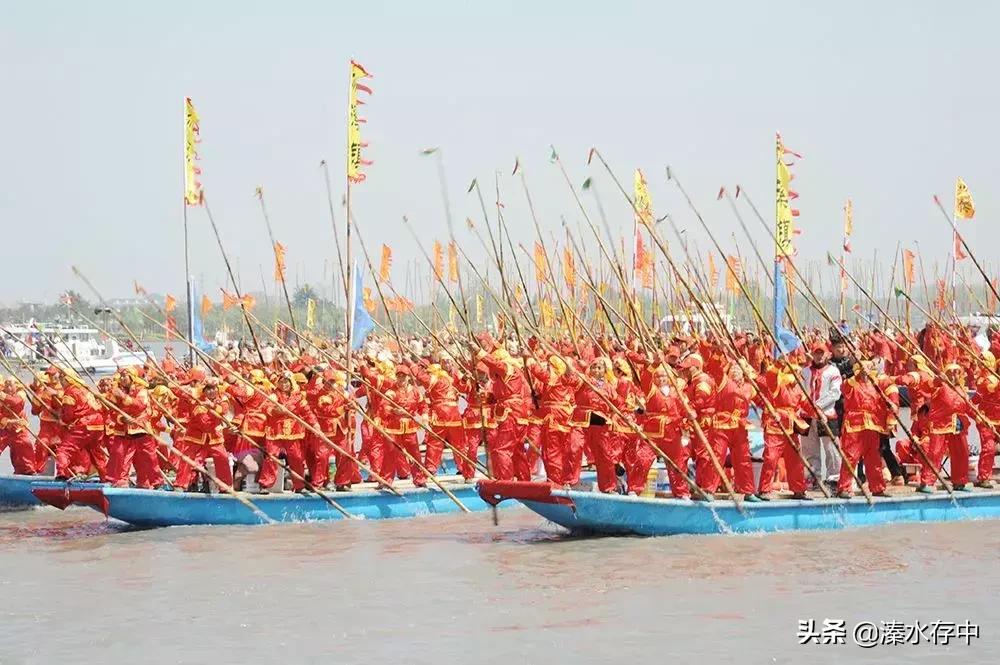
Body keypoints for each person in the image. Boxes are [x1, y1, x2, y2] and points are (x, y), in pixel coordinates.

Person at [801, 342, 843, 485]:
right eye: (816, 353)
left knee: (831, 447)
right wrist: (808, 407)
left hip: (826, 414)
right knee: (809, 448)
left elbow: (835, 393)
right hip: (807, 415)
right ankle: (813, 476)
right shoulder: (805, 372)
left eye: (821, 353)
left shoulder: (833, 371)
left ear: (827, 355)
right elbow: (800, 392)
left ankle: (834, 478)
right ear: (812, 354)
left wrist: (818, 406)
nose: (819, 356)